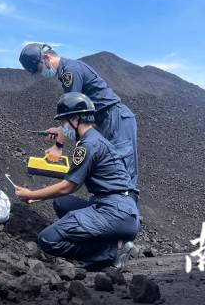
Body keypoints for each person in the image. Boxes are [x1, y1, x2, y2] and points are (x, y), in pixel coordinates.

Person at [14, 92, 138, 268]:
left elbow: (68, 187)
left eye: (63, 122)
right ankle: (113, 240)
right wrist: (37, 197)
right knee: (62, 203)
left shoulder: (88, 146)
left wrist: (30, 194)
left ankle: (110, 250)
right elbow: (69, 189)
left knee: (47, 240)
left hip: (114, 212)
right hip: (122, 210)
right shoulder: (95, 139)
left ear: (76, 119)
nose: (62, 127)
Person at [19, 43, 139, 191]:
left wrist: (58, 146)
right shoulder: (67, 71)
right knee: (108, 165)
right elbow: (73, 115)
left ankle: (125, 209)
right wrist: (59, 129)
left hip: (115, 118)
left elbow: (72, 112)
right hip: (102, 120)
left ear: (46, 57)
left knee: (122, 165)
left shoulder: (70, 71)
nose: (41, 73)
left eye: (39, 69)